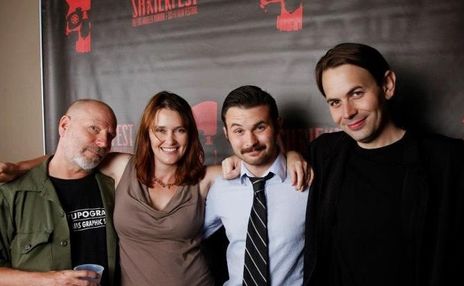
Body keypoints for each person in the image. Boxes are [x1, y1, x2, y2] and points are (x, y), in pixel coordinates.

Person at [0, 91, 310, 286]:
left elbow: (258, 160)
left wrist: (293, 155)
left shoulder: (207, 177)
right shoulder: (123, 168)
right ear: (148, 133)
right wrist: (20, 167)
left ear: (190, 134)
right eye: (160, 130)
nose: (170, 140)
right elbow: (75, 156)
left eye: (179, 130)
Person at [303, 42, 464, 286]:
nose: (348, 112)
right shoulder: (324, 154)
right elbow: (265, 161)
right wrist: (240, 158)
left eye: (357, 93)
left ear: (387, 85)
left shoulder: (448, 160)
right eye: (335, 102)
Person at [0, 99, 119, 286]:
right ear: (64, 125)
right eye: (94, 129)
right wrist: (51, 280)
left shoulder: (114, 188)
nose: (104, 142)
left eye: (110, 136)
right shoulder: (12, 193)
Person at [204, 85, 309, 286]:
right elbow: (184, 238)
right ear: (226, 133)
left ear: (278, 125)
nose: (250, 141)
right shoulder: (220, 188)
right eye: (239, 131)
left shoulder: (305, 180)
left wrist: (294, 154)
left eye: (260, 127)